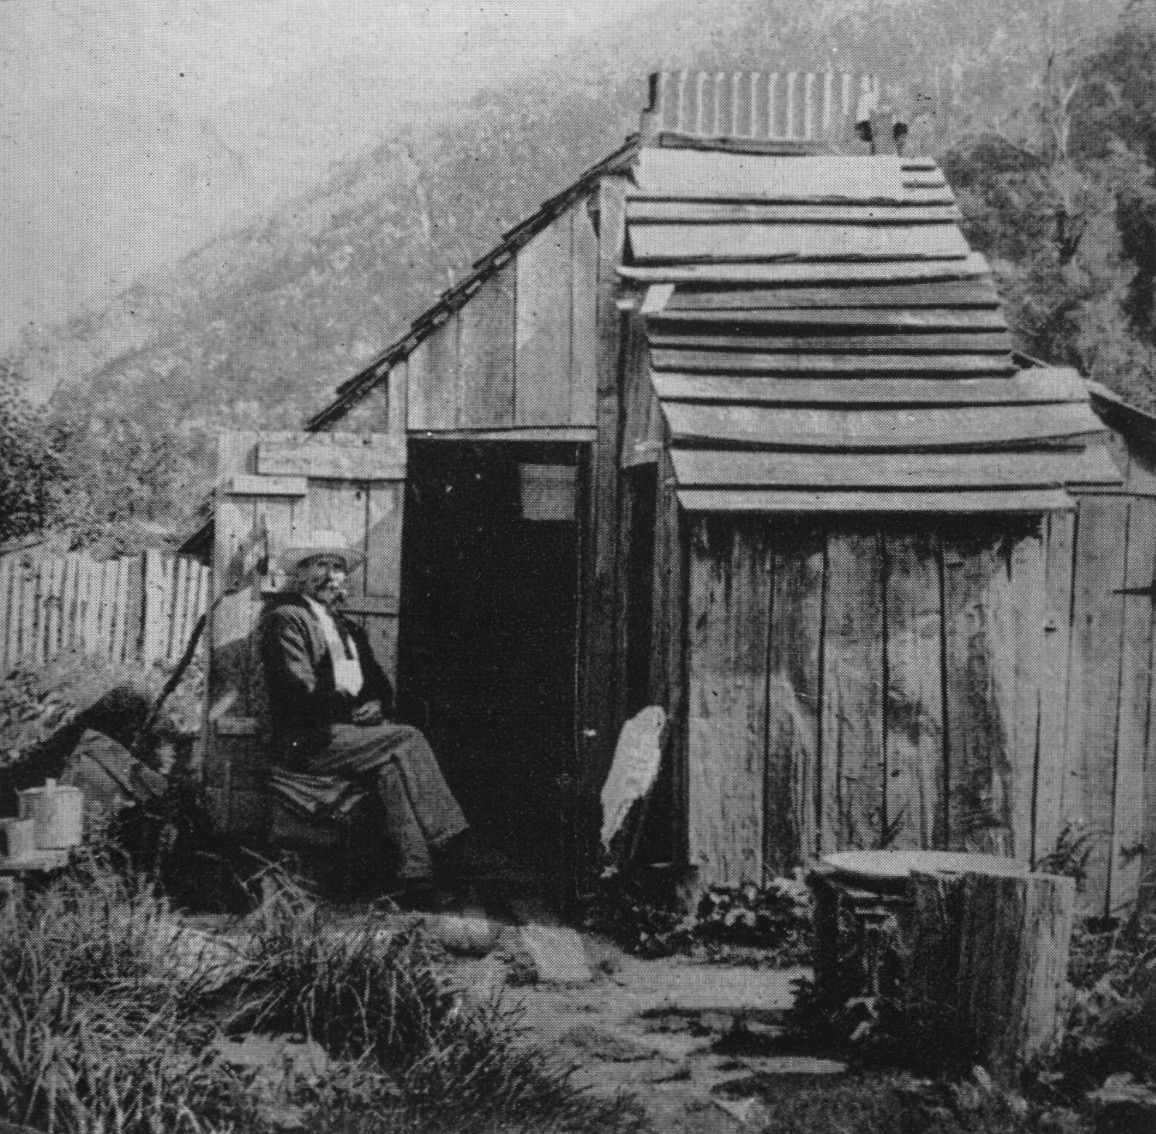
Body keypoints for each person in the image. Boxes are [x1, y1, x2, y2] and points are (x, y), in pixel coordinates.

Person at [258, 530, 469, 909]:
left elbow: (380, 688)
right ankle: (451, 839)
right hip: (310, 741)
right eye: (320, 565)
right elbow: (296, 690)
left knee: (391, 769)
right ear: (301, 575)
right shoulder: (287, 619)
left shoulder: (349, 629)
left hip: (353, 740)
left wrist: (374, 703)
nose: (331, 575)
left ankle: (415, 875)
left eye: (337, 567)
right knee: (406, 738)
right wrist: (347, 710)